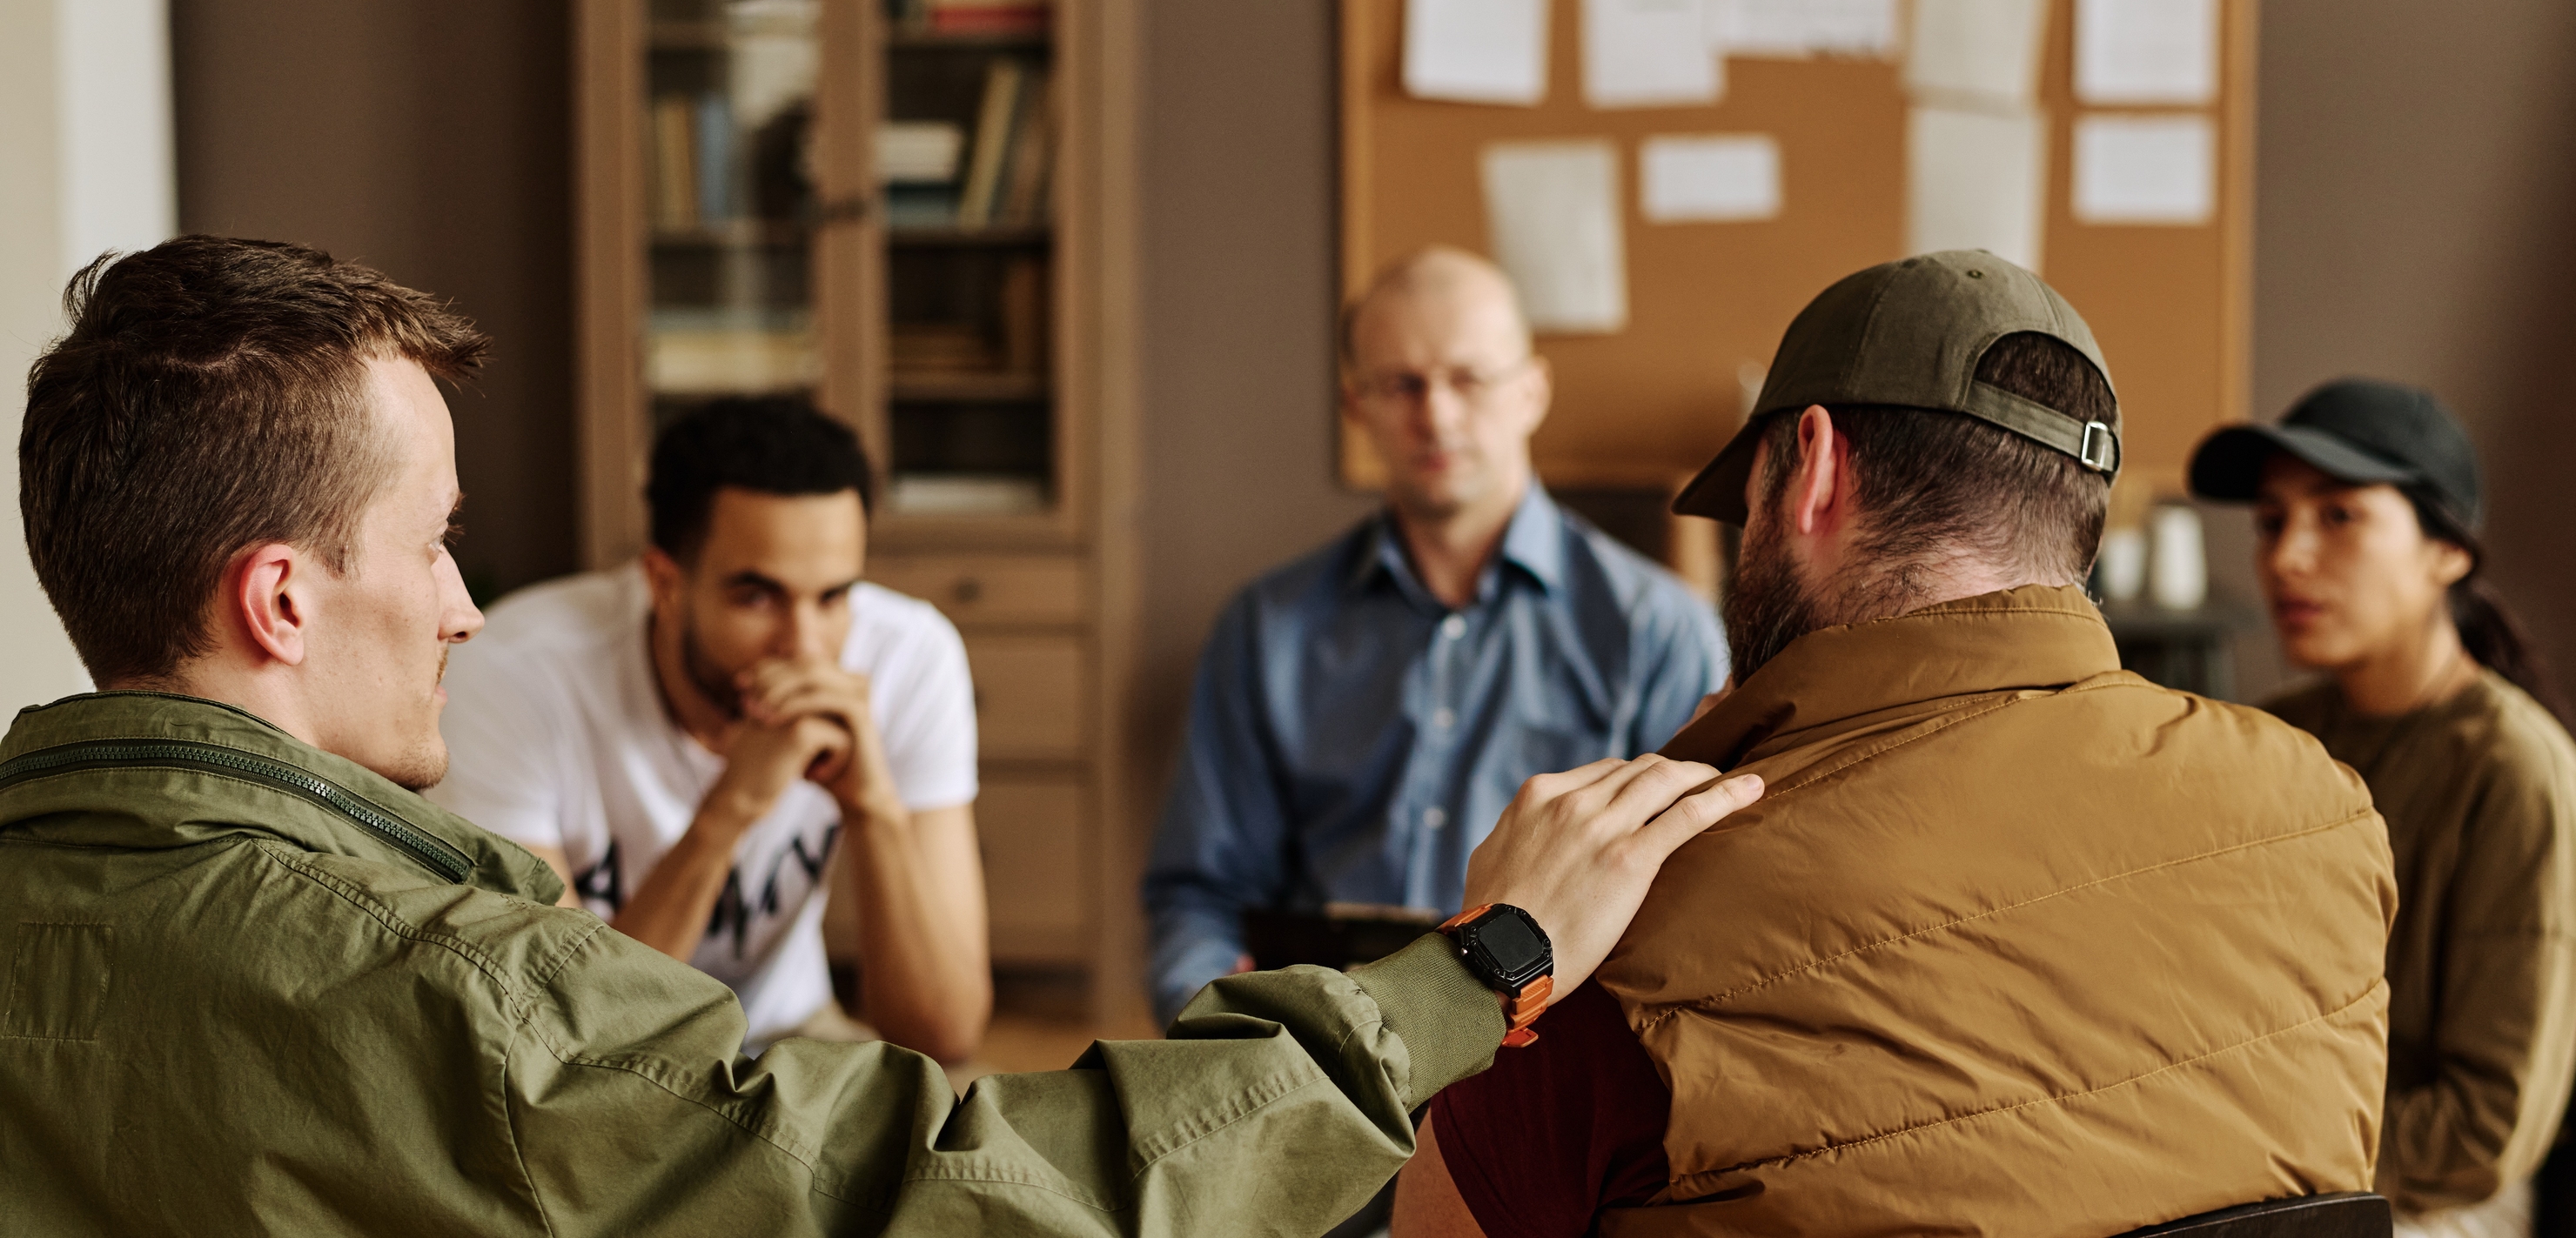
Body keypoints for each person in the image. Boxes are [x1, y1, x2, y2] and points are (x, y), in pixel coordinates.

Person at [0, 236, 1763, 1235]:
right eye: (433, 538)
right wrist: (1484, 962)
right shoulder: (441, 964)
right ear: (282, 601)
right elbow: (964, 1182)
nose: (461, 598)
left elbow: (939, 1023)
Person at [1393, 250, 2398, 1238]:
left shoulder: (1617, 934)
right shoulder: (2327, 813)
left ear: (1815, 470)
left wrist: (1498, 950)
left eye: (1747, 508)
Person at [1141, 246, 1726, 1026]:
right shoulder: (1266, 628)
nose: (1437, 415)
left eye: (1468, 379)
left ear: (1531, 391)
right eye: (1402, 385)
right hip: (1309, 1060)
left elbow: (1690, 919)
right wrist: (1213, 1030)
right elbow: (1199, 894)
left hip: (1539, 1055)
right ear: (1356, 407)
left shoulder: (1655, 630)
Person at [2187, 379, 2576, 1238]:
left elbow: (2485, 1129)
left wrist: (2255, 1150)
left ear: (2447, 550)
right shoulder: (2273, 737)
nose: (2286, 557)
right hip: (2270, 1161)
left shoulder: (2520, 778)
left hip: (2430, 1196)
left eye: (2338, 516)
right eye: (2271, 521)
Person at [432, 397, 989, 1060]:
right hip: (596, 1073)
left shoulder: (910, 655)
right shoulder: (513, 674)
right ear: (666, 583)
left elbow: (946, 1034)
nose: (806, 647)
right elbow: (575, 1030)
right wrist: (730, 810)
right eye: (757, 596)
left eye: (834, 596)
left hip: (792, 1036)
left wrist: (874, 810)